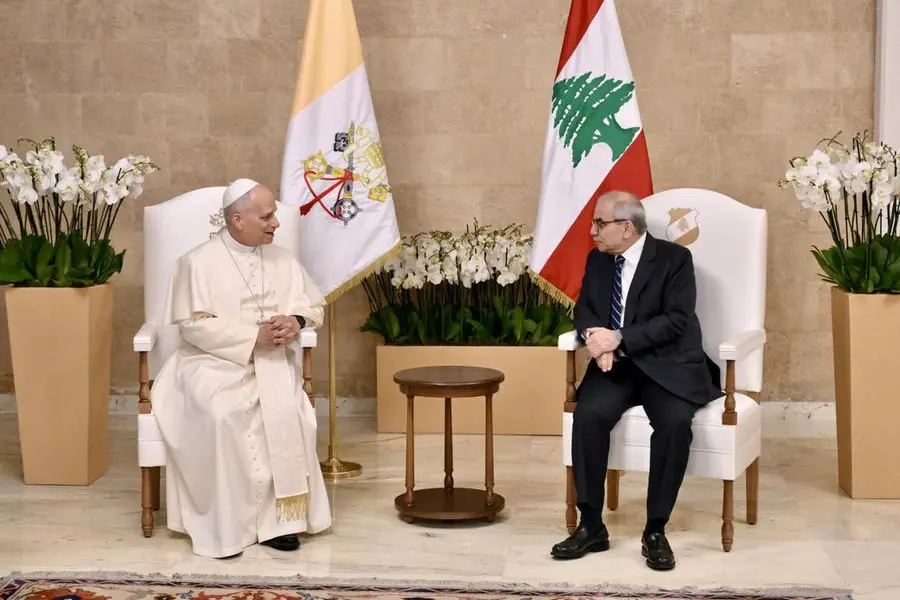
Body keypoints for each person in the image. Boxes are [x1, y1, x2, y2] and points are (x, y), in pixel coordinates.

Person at [151, 178, 332, 559]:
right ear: (237, 219)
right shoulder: (196, 262)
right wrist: (252, 339)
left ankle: (280, 522)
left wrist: (296, 322)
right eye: (267, 217)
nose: (275, 224)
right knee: (224, 412)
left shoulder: (283, 260)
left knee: (290, 411)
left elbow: (314, 308)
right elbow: (193, 325)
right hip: (209, 364)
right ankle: (228, 523)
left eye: (274, 216)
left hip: (272, 362)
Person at [550, 190, 720, 571]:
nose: (592, 230)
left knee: (675, 424)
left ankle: (655, 530)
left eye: (599, 223)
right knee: (589, 416)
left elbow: (677, 320)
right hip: (618, 368)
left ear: (626, 228)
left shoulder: (675, 259)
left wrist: (621, 337)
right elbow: (586, 309)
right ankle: (591, 524)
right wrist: (597, 338)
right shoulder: (598, 260)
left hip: (667, 366)